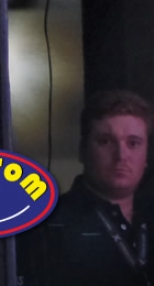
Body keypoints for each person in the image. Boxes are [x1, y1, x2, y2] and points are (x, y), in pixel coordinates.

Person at [18, 90, 154, 286]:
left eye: (133, 143)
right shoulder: (45, 227)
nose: (121, 156)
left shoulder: (149, 216)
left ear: (146, 156)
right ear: (83, 150)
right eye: (105, 141)